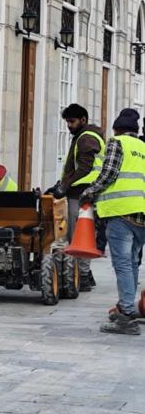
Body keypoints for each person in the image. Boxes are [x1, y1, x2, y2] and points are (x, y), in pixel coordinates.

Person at [80, 108, 145, 335]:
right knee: (132, 262)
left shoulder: (117, 143)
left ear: (116, 129)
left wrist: (89, 192)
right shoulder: (143, 147)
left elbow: (108, 174)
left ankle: (126, 316)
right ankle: (127, 307)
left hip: (121, 213)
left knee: (123, 264)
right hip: (142, 214)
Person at [44, 103, 104, 291]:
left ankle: (83, 276)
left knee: (79, 235)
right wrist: (60, 184)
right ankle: (85, 274)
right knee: (82, 233)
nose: (69, 125)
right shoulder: (85, 136)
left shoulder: (86, 139)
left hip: (81, 195)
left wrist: (64, 187)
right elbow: (76, 168)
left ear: (83, 120)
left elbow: (85, 169)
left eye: (72, 121)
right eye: (67, 122)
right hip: (84, 193)